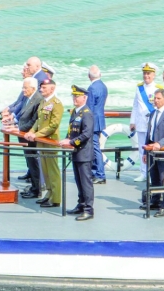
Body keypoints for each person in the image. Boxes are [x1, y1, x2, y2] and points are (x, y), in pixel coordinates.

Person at [24, 78, 64, 208]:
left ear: (52, 89)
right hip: (41, 142)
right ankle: (49, 194)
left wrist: (35, 135)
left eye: (44, 88)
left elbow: (53, 125)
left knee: (53, 171)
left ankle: (56, 198)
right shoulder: (43, 102)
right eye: (41, 87)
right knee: (45, 171)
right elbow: (38, 121)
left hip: (50, 141)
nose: (41, 90)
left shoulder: (57, 104)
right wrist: (31, 131)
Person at [60, 85, 95, 221]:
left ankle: (88, 209)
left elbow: (86, 134)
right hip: (76, 153)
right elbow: (72, 130)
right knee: (78, 181)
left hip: (84, 153)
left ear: (84, 98)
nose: (75, 98)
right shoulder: (75, 112)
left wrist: (72, 142)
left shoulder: (87, 113)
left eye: (77, 96)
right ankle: (81, 205)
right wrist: (67, 138)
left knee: (86, 182)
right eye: (74, 96)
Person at [142, 89, 164, 217]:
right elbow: (149, 133)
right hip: (152, 150)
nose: (155, 101)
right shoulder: (152, 114)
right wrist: (145, 151)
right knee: (154, 177)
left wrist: (159, 144)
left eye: (158, 98)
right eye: (154, 99)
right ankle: (155, 201)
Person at [130, 62, 162, 182]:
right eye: (144, 73)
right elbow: (135, 106)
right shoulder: (139, 88)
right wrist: (132, 121)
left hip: (153, 123)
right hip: (141, 123)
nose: (146, 76)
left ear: (154, 75)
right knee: (141, 149)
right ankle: (143, 173)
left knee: (152, 148)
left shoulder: (159, 88)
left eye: (148, 73)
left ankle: (152, 173)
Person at [14, 78, 44, 200]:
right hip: (24, 135)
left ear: (32, 88)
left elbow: (34, 121)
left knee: (34, 163)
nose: (23, 90)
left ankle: (37, 189)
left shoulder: (38, 99)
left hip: (30, 136)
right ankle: (33, 187)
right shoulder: (28, 98)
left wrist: (20, 129)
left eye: (25, 88)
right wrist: (14, 123)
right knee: (30, 162)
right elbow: (22, 114)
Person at [86, 65, 108, 184]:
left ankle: (99, 173)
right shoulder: (103, 86)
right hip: (100, 120)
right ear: (100, 74)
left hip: (93, 121)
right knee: (95, 147)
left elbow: (89, 108)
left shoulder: (91, 88)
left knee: (95, 148)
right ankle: (97, 172)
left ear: (89, 76)